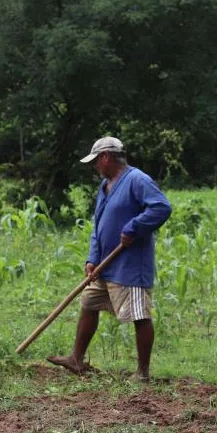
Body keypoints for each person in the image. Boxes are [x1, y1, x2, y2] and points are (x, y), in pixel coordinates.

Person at [48, 136, 172, 382]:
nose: (95, 166)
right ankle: (76, 358)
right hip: (105, 265)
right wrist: (92, 257)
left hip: (130, 265)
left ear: (106, 157)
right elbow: (99, 225)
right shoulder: (105, 186)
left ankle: (142, 373)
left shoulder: (137, 180)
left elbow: (161, 208)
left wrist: (133, 228)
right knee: (89, 303)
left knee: (139, 315)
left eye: (96, 161)